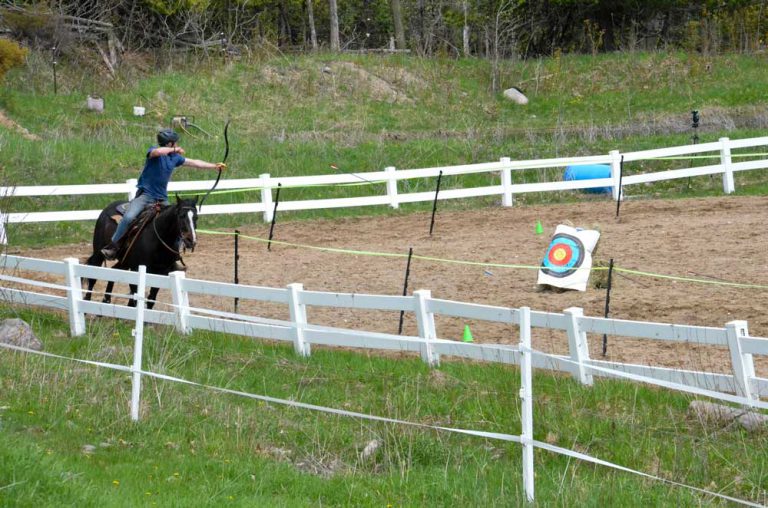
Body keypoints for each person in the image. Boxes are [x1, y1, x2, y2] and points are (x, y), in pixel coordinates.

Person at [101, 129, 226, 270]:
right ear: (170, 143)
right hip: (145, 196)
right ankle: (113, 246)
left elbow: (195, 163)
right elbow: (157, 152)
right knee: (129, 217)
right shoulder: (154, 152)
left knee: (177, 220)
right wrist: (175, 149)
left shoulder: (175, 158)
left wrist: (214, 166)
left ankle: (174, 255)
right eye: (175, 143)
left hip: (162, 198)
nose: (177, 145)